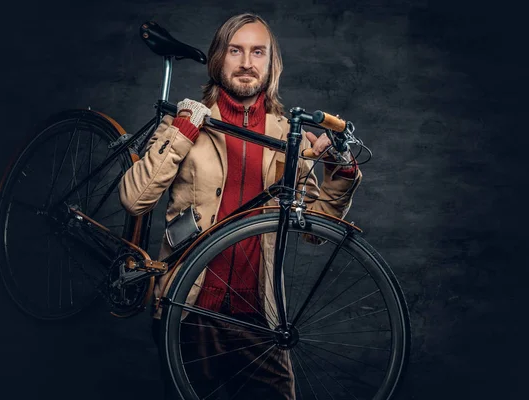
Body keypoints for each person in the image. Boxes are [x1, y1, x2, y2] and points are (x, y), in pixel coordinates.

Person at [119, 13, 362, 399]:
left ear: (271, 65)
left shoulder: (288, 136)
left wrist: (341, 171)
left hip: (259, 318)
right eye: (236, 50)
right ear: (219, 59)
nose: (247, 62)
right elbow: (134, 199)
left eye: (258, 52)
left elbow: (318, 229)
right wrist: (182, 132)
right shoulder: (188, 123)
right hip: (189, 309)